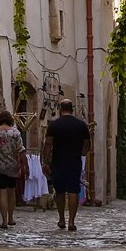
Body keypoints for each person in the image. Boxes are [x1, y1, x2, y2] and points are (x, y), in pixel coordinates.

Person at [43, 99, 90, 232]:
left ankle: (62, 218)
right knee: (73, 190)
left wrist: (45, 161)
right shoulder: (81, 125)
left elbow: (48, 144)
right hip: (74, 161)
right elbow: (87, 144)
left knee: (60, 191)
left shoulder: (54, 125)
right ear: (72, 109)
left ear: (60, 109)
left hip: (58, 161)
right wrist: (82, 153)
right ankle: (72, 221)